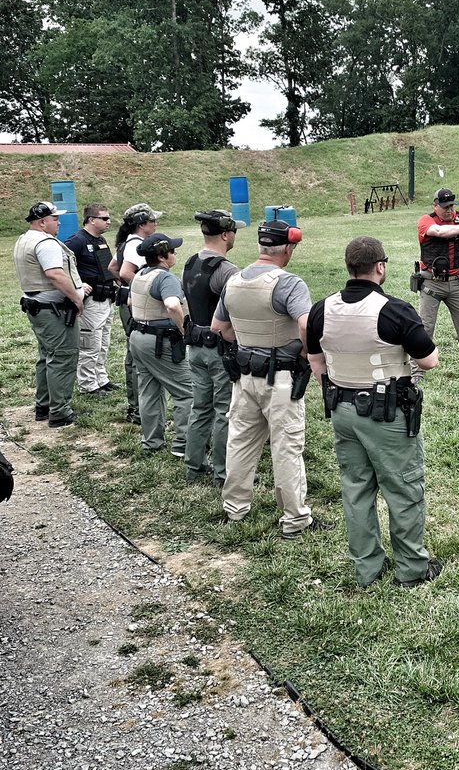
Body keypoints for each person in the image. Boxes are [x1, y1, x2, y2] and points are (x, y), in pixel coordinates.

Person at [307, 236, 441, 588]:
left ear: (350, 267)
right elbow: (430, 359)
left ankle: (367, 569)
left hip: (342, 408)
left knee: (356, 488)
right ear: (380, 266)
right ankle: (412, 568)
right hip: (386, 413)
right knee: (404, 488)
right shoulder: (394, 310)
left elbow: (316, 363)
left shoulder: (323, 308)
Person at [211, 219, 319, 536]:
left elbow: (221, 330)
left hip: (244, 376)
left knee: (241, 443)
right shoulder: (289, 284)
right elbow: (306, 326)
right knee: (286, 448)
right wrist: (308, 354)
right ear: (287, 248)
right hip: (281, 378)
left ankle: (235, 508)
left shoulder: (233, 281)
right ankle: (295, 519)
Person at [182, 210, 244, 486]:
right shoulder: (226, 271)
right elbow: (238, 312)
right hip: (219, 348)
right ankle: (222, 471)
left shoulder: (190, 262)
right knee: (223, 411)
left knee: (200, 408)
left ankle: (193, 465)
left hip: (195, 345)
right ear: (225, 234)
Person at [14, 201, 85, 428]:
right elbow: (55, 274)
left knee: (47, 357)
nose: (59, 222)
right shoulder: (46, 243)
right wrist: (76, 297)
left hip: (38, 306)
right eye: (55, 219)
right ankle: (60, 411)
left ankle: (44, 405)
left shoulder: (25, 239)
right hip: (54, 310)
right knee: (63, 357)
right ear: (43, 222)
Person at [128, 232, 192, 458]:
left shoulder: (139, 275)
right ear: (163, 256)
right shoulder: (166, 278)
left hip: (137, 337)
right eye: (173, 250)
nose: (175, 254)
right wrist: (184, 329)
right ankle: (183, 444)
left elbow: (129, 301)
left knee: (149, 391)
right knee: (187, 392)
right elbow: (173, 305)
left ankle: (152, 442)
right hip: (160, 340)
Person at [413, 187, 459, 382]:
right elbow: (440, 232)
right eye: (445, 206)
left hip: (457, 282)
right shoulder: (426, 221)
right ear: (435, 206)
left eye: (452, 206)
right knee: (424, 329)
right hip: (431, 283)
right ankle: (416, 373)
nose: (449, 210)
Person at [112, 202, 163, 424]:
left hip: (128, 299)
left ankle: (137, 407)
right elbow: (124, 271)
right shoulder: (136, 245)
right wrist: (146, 286)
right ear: (142, 224)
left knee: (134, 355)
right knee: (136, 358)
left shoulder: (128, 242)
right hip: (134, 303)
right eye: (152, 221)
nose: (156, 224)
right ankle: (138, 409)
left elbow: (112, 268)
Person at [65, 203, 120, 396]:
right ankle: (88, 385)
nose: (109, 221)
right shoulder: (77, 241)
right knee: (90, 344)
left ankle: (101, 379)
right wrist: (77, 285)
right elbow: (62, 266)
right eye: (104, 218)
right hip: (91, 302)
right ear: (91, 220)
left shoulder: (101, 240)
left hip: (106, 298)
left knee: (102, 343)